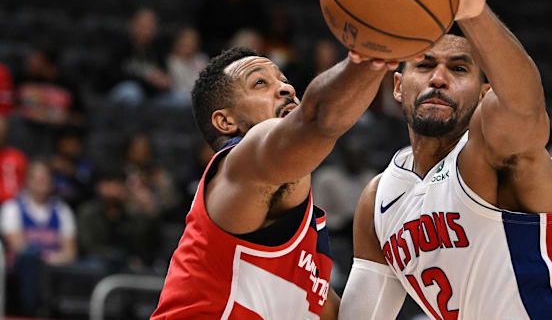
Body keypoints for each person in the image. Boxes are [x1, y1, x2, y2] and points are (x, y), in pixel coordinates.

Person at [339, 0, 552, 319]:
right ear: (398, 86)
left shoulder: (494, 150)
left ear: (484, 93)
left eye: (459, 69)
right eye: (424, 65)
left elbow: (524, 108)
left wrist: (474, 14)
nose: (439, 79)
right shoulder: (378, 201)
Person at [151, 45, 402, 319]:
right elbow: (317, 119)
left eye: (284, 80)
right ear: (225, 121)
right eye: (260, 83)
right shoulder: (240, 164)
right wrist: (378, 49)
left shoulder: (305, 256)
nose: (287, 89)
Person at [0, 159, 77, 316]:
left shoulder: (62, 210)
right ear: (27, 181)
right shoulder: (12, 208)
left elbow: (70, 252)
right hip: (20, 273)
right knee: (29, 258)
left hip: (55, 270)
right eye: (38, 178)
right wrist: (49, 256)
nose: (43, 183)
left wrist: (50, 258)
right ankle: (30, 313)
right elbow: (18, 246)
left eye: (46, 178)